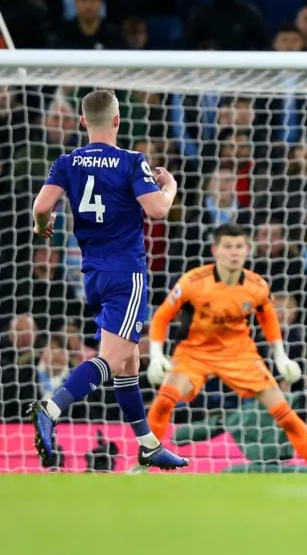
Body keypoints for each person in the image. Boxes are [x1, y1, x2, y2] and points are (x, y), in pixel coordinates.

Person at [28, 89, 187, 470]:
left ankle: (147, 444)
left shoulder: (66, 162)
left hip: (92, 274)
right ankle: (51, 407)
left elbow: (41, 207)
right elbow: (158, 211)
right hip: (126, 274)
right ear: (118, 120)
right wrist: (170, 186)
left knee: (130, 362)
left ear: (83, 122)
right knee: (113, 360)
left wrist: (42, 227)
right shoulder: (132, 161)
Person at [145, 224, 307, 474]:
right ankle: (144, 463)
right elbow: (161, 316)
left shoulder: (256, 286)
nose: (234, 252)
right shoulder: (193, 282)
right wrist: (156, 356)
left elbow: (268, 318)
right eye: (228, 247)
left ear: (247, 250)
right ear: (215, 250)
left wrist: (281, 356)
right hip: (195, 354)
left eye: (239, 247)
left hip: (239, 355)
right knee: (166, 399)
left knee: (284, 413)